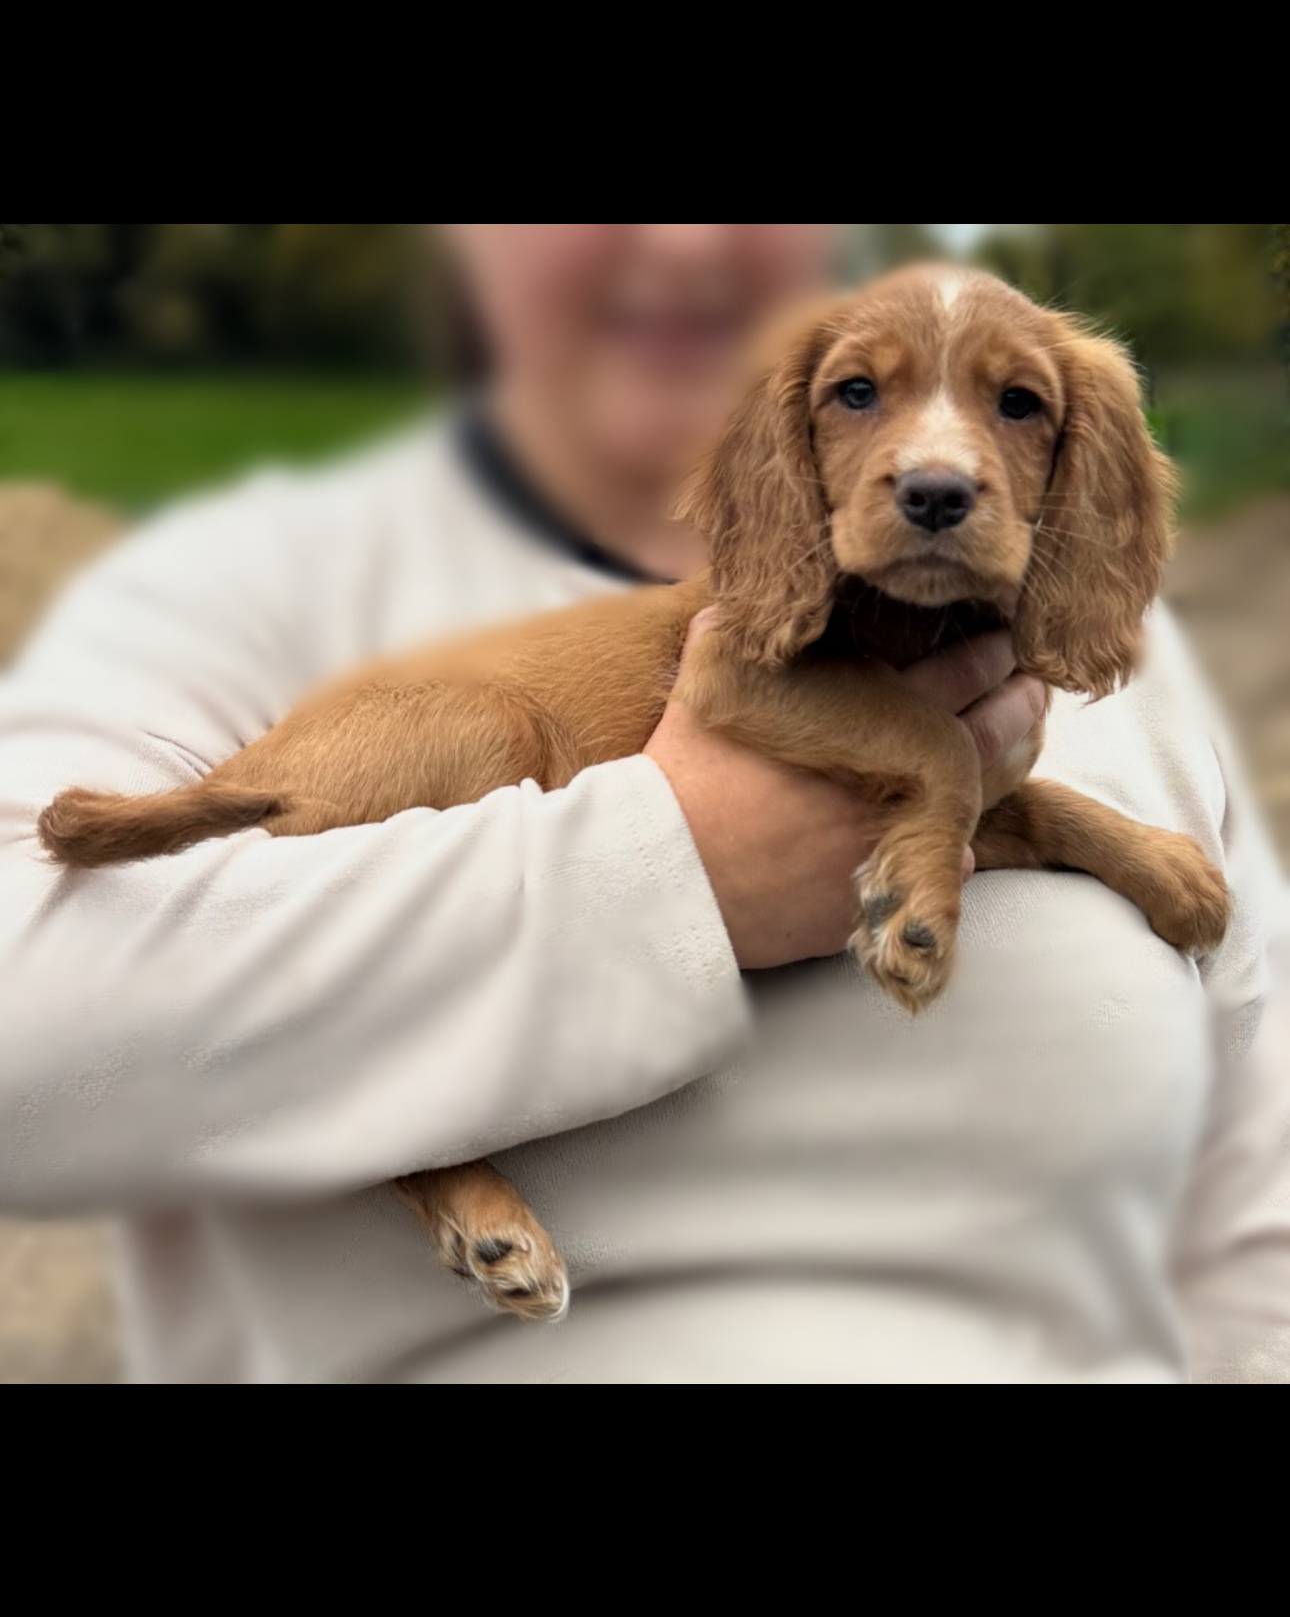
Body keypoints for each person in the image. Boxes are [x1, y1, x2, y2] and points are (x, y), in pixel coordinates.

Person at [0, 223, 1285, 1385]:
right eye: (858, 398)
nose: (678, 240)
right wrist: (677, 866)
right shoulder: (234, 591)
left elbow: (1260, 1214)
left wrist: (1075, 832)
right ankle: (434, 1172)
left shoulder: (1125, 690)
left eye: (1018, 408)